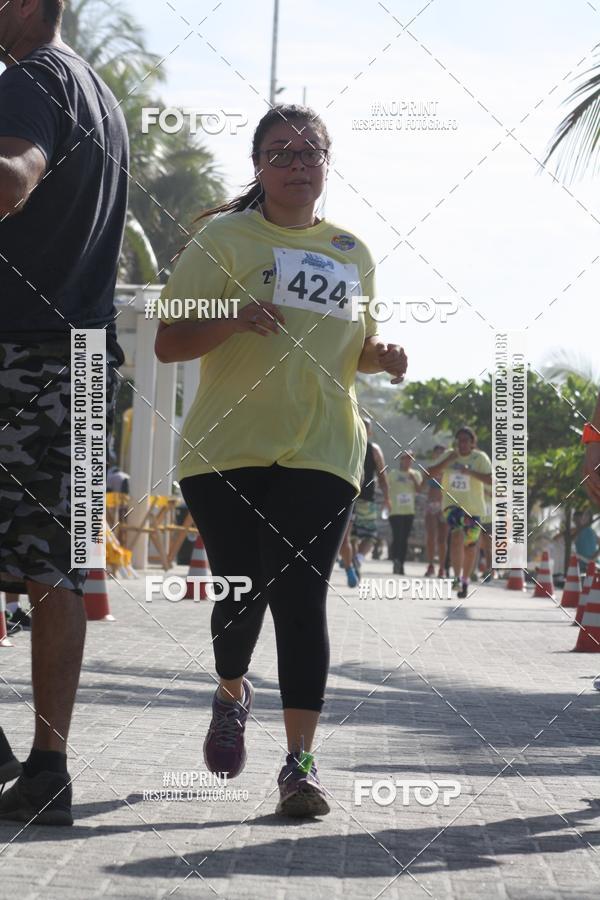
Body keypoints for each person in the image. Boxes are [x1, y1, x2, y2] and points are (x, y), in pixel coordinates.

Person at [155, 104, 407, 817]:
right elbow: (169, 343)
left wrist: (379, 356)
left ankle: (299, 766)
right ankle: (233, 691)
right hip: (224, 448)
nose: (297, 166)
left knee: (301, 602)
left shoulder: (351, 250)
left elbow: (354, 349)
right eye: (281, 153)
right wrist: (236, 317)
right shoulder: (223, 240)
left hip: (325, 448)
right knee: (240, 595)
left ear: (327, 164)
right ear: (258, 165)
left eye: (310, 154)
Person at [0, 0, 128, 825]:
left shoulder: (30, 77)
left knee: (45, 567)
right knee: (56, 569)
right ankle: (46, 765)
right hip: (82, 358)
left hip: (25, 355)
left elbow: (12, 176)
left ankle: (39, 766)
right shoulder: (98, 92)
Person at [428, 427, 492, 599]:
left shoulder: (479, 458)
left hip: (474, 509)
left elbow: (491, 479)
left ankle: (464, 580)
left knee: (470, 546)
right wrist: (447, 460)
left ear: (472, 443)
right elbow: (429, 473)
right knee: (456, 535)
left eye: (466, 440)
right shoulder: (450, 455)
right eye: (460, 440)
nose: (462, 444)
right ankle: (456, 577)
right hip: (452, 506)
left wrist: (469, 472)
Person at [350, 418, 390, 577]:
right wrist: (387, 498)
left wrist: (387, 497)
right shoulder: (373, 449)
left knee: (354, 535)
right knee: (369, 535)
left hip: (353, 497)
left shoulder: (354, 447)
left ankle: (355, 560)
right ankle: (357, 559)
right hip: (360, 499)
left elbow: (382, 476)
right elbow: (382, 475)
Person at [388, 452, 423, 574]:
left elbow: (419, 490)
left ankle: (401, 563)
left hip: (409, 511)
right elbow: (386, 488)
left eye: (410, 459)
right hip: (395, 510)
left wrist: (413, 479)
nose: (407, 461)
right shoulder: (393, 474)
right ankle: (395, 560)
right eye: (405, 459)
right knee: (397, 537)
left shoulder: (416, 474)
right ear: (401, 460)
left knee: (404, 538)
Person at [423, 444, 448, 577]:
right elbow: (421, 486)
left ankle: (442, 568)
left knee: (442, 539)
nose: (439, 455)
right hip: (431, 504)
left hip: (444, 505)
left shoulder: (449, 470)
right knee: (431, 536)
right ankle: (431, 564)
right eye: (437, 453)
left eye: (442, 453)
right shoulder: (430, 469)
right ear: (434, 454)